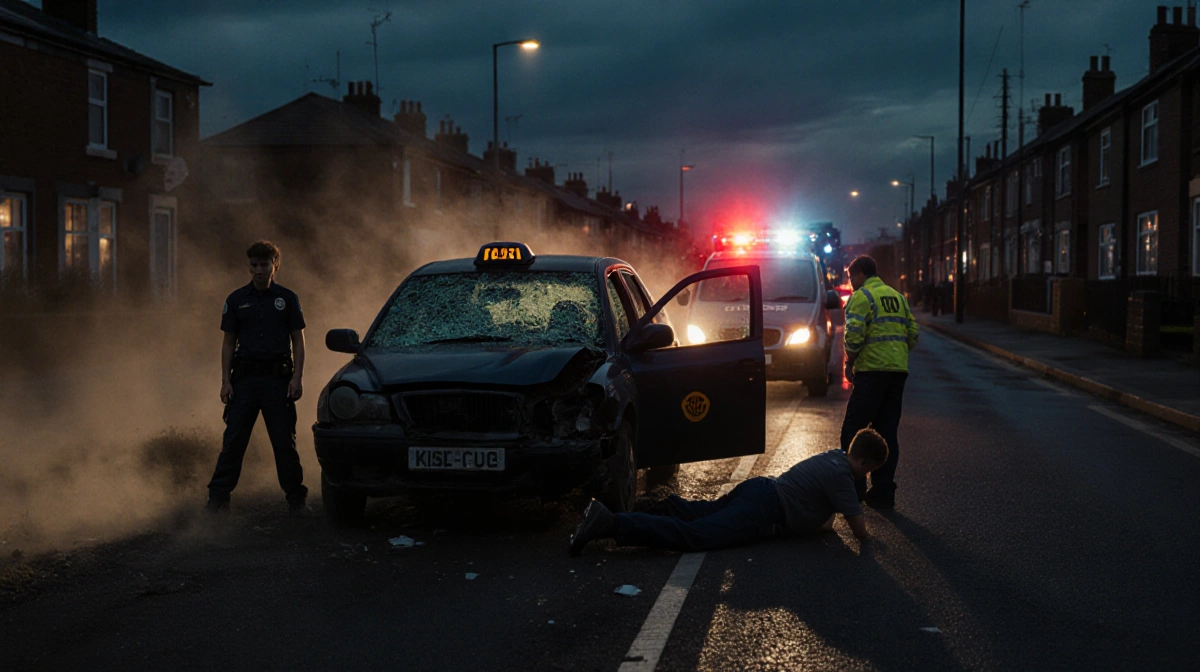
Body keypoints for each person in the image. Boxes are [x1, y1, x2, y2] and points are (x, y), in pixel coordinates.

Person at [567, 428, 889, 556]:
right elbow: (858, 531)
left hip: (761, 491)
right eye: (868, 471)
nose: (866, 478)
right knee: (696, 536)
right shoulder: (842, 477)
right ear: (862, 460)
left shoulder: (834, 457)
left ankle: (639, 512)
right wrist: (875, 542)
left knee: (697, 513)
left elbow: (825, 521)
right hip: (763, 511)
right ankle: (611, 525)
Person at [206, 241, 309, 515]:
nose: (259, 271)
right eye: (254, 265)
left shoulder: (287, 299)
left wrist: (297, 378)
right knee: (234, 441)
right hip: (245, 381)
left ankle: (296, 501)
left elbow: (298, 342)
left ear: (275, 264)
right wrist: (225, 381)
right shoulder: (237, 300)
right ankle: (217, 501)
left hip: (277, 381)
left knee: (284, 442)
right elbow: (229, 343)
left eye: (264, 265)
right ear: (248, 266)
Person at [841, 255, 918, 509]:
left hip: (871, 373)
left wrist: (849, 361)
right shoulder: (897, 297)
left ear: (862, 273)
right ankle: (884, 492)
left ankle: (855, 488)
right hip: (897, 374)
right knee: (887, 433)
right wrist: (894, 352)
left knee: (853, 430)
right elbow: (913, 334)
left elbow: (854, 336)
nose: (851, 283)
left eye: (852, 277)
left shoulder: (862, 297)